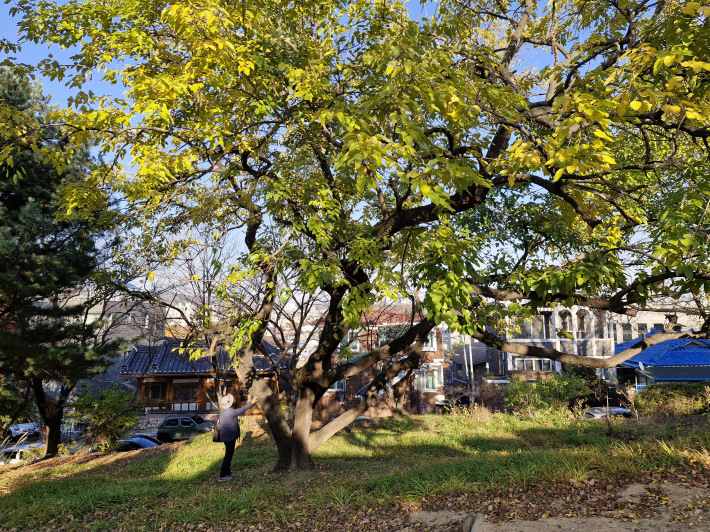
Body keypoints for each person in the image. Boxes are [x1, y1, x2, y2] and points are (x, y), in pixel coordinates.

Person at [217, 393, 255, 482]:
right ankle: (223, 475)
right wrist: (252, 402)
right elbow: (242, 409)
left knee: (229, 455)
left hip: (226, 437)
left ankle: (228, 473)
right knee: (228, 456)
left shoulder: (223, 411)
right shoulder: (231, 412)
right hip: (229, 438)